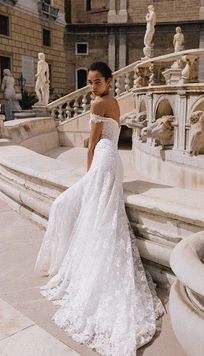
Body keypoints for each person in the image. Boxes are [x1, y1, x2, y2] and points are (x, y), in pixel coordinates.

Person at [35, 62, 165, 356]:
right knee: (100, 215)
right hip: (114, 163)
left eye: (97, 81)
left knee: (65, 205)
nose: (92, 87)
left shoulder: (97, 104)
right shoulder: (115, 101)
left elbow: (92, 146)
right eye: (90, 82)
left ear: (108, 80)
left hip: (102, 163)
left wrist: (88, 173)